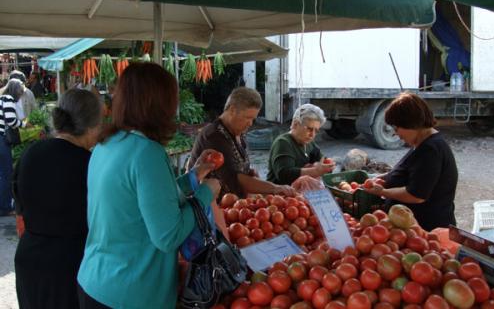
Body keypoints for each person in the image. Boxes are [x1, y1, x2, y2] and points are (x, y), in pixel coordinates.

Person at [77, 62, 221, 309]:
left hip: (95, 280)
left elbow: (144, 199)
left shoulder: (106, 144)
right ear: (160, 104)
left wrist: (193, 177)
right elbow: (168, 236)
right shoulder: (147, 153)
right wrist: (207, 193)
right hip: (131, 293)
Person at [13, 88, 102, 308]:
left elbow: (20, 212)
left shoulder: (30, 153)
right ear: (91, 126)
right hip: (71, 266)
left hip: (30, 261)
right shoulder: (91, 164)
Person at [364, 92, 458, 231]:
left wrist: (383, 192)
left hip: (427, 229)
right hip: (410, 227)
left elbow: (416, 195)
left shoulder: (430, 150)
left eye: (397, 128)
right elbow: (410, 172)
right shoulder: (421, 143)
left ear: (410, 123)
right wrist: (384, 177)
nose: (396, 133)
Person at [189, 87, 295, 199]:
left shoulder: (237, 132)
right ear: (232, 110)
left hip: (236, 206)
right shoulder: (214, 136)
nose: (250, 123)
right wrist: (275, 188)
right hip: (208, 208)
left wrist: (251, 174)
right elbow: (234, 177)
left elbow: (241, 169)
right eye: (247, 118)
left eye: (253, 119)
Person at [267, 104, 335, 185]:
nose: (312, 134)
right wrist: (316, 171)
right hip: (279, 195)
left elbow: (321, 160)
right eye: (309, 129)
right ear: (295, 124)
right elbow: (284, 175)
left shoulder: (309, 143)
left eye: (316, 131)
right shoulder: (283, 143)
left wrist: (327, 166)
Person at [0, 79, 28, 216]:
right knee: (7, 174)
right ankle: (5, 207)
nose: (20, 95)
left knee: (2, 174)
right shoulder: (8, 98)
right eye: (20, 92)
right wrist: (24, 125)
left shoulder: (2, 98)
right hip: (1, 140)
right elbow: (11, 120)